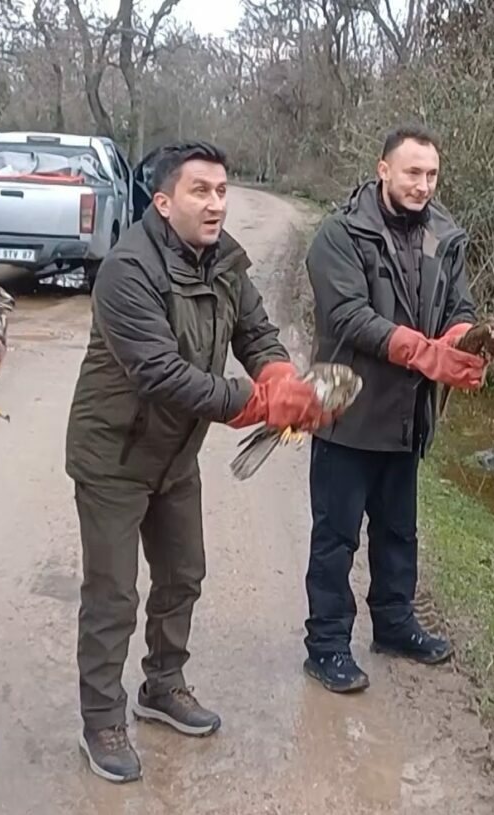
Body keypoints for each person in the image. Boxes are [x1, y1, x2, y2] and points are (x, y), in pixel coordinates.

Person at [64, 140, 329, 784]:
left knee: (184, 574)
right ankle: (101, 717)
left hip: (175, 455)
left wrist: (281, 379)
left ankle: (163, 686)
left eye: (221, 191)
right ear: (162, 201)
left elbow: (257, 332)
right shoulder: (128, 270)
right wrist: (256, 404)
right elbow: (161, 373)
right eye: (200, 191)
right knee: (113, 594)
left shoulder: (224, 262)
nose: (215, 204)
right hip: (114, 456)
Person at [300, 123, 487, 694]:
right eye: (412, 172)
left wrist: (463, 341)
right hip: (346, 412)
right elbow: (348, 318)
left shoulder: (445, 237)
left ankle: (395, 624)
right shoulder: (339, 234)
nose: (423, 184)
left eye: (431, 174)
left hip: (408, 417)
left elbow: (460, 305)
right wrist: (424, 353)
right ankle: (327, 647)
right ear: (383, 169)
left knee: (399, 532)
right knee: (336, 538)